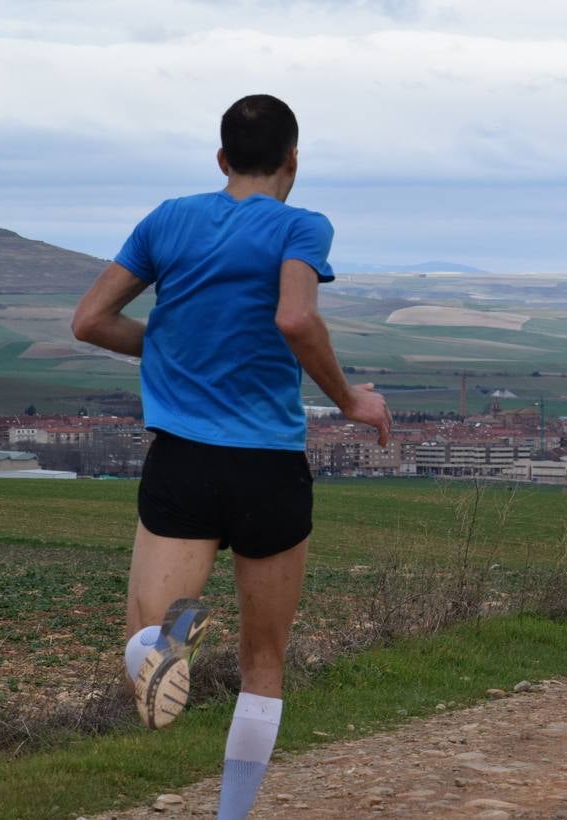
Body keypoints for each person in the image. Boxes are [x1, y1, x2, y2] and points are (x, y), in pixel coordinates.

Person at [72, 95, 390, 820]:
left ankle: (171, 637)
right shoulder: (302, 225)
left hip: (184, 462)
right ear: (293, 161)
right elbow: (295, 315)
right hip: (269, 467)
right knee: (264, 663)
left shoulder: (168, 219)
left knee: (143, 643)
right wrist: (348, 400)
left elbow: (90, 320)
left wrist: (172, 345)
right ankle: (232, 816)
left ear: (221, 160)